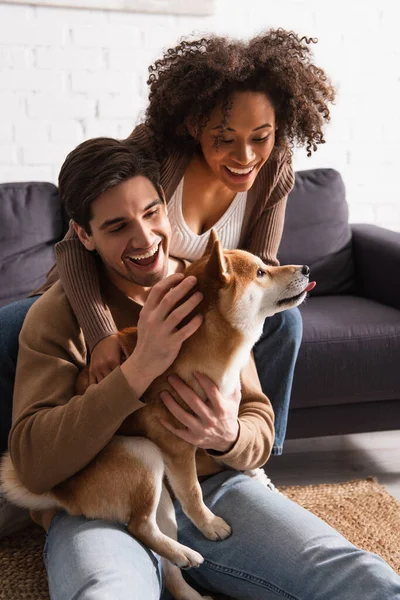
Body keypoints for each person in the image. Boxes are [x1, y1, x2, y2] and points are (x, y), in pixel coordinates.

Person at [8, 137, 400, 600]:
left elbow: (259, 423)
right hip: (103, 510)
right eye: (117, 227)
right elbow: (32, 466)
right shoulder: (57, 316)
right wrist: (138, 370)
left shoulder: (211, 286)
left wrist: (227, 435)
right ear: (84, 235)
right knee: (106, 592)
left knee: (363, 578)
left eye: (152, 213)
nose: (145, 238)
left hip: (215, 490)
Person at [0, 28, 335, 456]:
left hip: (190, 295)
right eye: (225, 138)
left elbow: (260, 263)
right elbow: (73, 245)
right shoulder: (157, 150)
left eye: (260, 137)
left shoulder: (275, 170)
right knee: (10, 326)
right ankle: (17, 469)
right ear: (196, 124)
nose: (246, 155)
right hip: (109, 289)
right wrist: (101, 331)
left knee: (285, 323)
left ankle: (259, 460)